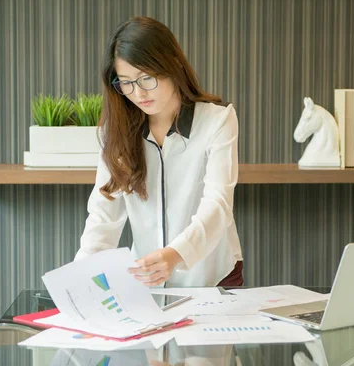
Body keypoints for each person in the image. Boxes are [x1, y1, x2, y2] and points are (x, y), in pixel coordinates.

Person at [75, 16, 243, 288]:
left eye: (146, 78)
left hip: (213, 276)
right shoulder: (115, 133)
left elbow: (218, 204)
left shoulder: (217, 121)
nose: (138, 93)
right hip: (147, 281)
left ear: (172, 65)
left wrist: (176, 254)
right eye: (125, 82)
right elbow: (104, 216)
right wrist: (79, 278)